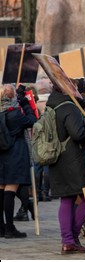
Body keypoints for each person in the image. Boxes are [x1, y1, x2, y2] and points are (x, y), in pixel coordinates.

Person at [45, 80, 85, 254]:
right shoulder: (69, 106)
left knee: (66, 199)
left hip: (58, 160)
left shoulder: (51, 106)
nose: (76, 89)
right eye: (73, 86)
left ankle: (67, 240)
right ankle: (72, 238)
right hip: (74, 161)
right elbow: (78, 134)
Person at [0, 84, 37, 238]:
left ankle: (1, 228)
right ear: (12, 97)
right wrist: (25, 103)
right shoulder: (14, 114)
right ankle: (10, 228)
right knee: (10, 191)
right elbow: (32, 120)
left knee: (1, 191)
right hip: (14, 155)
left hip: (1, 156)